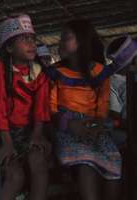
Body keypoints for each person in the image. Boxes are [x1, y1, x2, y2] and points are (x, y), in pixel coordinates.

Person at [48, 19, 122, 200]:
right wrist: (69, 124)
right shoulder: (54, 72)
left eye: (66, 38)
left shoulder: (100, 72)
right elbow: (50, 108)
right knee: (86, 165)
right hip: (66, 127)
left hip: (94, 126)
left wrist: (98, 124)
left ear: (81, 42)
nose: (60, 42)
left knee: (113, 164)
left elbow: (102, 105)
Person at [0, 15, 51, 200]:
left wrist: (37, 134)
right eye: (24, 39)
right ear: (9, 47)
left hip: (28, 132)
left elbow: (41, 108)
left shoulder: (39, 71)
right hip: (1, 133)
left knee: (38, 163)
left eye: (32, 39)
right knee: (16, 176)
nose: (31, 43)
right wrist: (7, 142)